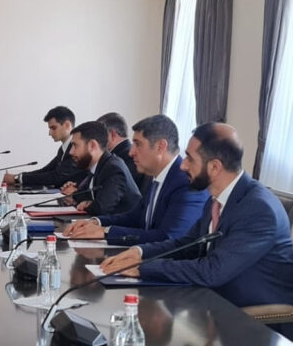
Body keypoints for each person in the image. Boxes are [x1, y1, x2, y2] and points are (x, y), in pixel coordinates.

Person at [100, 123, 293, 309]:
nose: (183, 166)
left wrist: (142, 267)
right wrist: (140, 252)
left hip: (252, 315)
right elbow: (188, 244)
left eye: (190, 159)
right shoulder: (216, 198)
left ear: (215, 167)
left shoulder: (259, 209)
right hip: (212, 299)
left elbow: (213, 270)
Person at [64, 115, 208, 245]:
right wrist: (96, 222)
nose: (131, 152)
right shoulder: (157, 176)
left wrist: (106, 232)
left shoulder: (186, 182)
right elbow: (135, 217)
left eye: (138, 144)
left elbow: (168, 237)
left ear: (161, 147)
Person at [60, 121, 141, 216]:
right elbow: (84, 195)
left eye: (75, 145)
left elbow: (101, 208)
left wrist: (88, 204)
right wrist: (74, 197)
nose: (71, 152)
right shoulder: (98, 166)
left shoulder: (113, 168)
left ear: (92, 145)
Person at [2, 106, 87, 188]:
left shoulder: (76, 150)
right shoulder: (63, 149)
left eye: (53, 128)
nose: (50, 133)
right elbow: (46, 170)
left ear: (67, 125)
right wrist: (18, 177)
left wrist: (17, 179)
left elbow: (56, 177)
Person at [96, 112, 149, 192]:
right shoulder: (122, 154)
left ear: (112, 135)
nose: (97, 141)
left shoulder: (128, 158)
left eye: (99, 136)